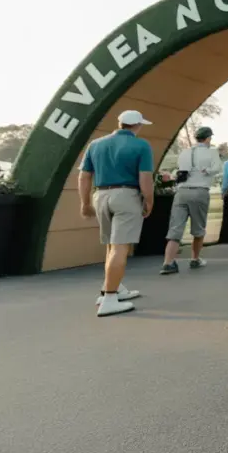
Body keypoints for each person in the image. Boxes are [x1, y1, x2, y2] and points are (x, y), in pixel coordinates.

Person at [78, 109, 154, 317]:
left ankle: (112, 287)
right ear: (137, 126)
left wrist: (85, 203)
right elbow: (145, 178)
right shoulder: (141, 145)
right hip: (126, 196)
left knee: (111, 245)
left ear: (119, 124)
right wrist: (149, 200)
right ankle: (110, 299)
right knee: (121, 247)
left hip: (100, 195)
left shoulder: (96, 144)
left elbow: (84, 177)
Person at [160, 127, 223, 274]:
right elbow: (217, 168)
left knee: (175, 228)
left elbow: (181, 171)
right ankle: (195, 259)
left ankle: (168, 262)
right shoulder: (212, 151)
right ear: (208, 138)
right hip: (199, 191)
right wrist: (206, 171)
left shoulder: (185, 152)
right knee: (198, 227)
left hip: (181, 192)